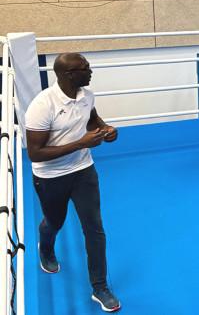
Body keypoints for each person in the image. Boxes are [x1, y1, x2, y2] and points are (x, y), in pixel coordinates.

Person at [25, 53, 121, 312]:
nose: (90, 71)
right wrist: (81, 142)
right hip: (50, 177)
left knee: (94, 228)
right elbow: (34, 153)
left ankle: (99, 287)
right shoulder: (42, 105)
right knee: (54, 221)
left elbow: (92, 120)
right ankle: (45, 248)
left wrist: (106, 129)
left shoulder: (86, 95)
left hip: (83, 170)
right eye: (84, 68)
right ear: (68, 75)